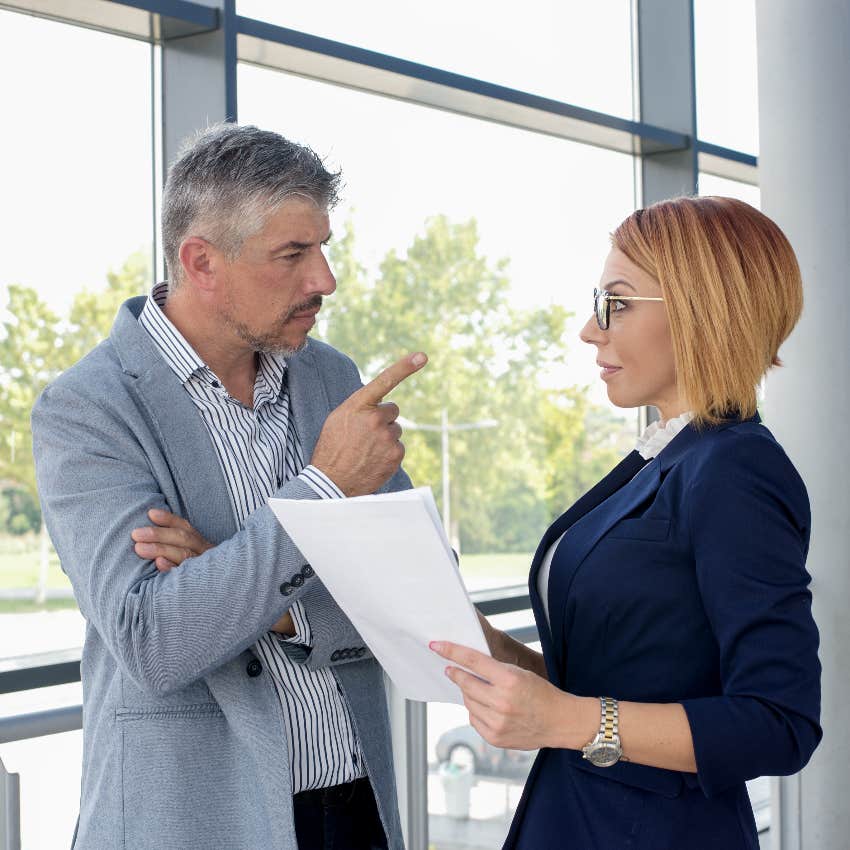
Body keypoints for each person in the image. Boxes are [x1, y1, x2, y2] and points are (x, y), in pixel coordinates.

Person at [31, 123, 426, 850]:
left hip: (355, 806)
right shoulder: (87, 409)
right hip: (192, 818)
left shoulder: (332, 378)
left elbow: (421, 605)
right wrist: (324, 490)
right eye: (293, 255)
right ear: (201, 261)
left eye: (324, 247)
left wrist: (254, 595)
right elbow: (155, 641)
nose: (325, 280)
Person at [431, 196, 822, 849]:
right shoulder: (670, 457)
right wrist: (485, 645)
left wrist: (573, 721)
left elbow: (779, 723)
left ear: (702, 309)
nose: (591, 329)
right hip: (581, 818)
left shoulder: (735, 471)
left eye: (616, 302)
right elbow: (615, 677)